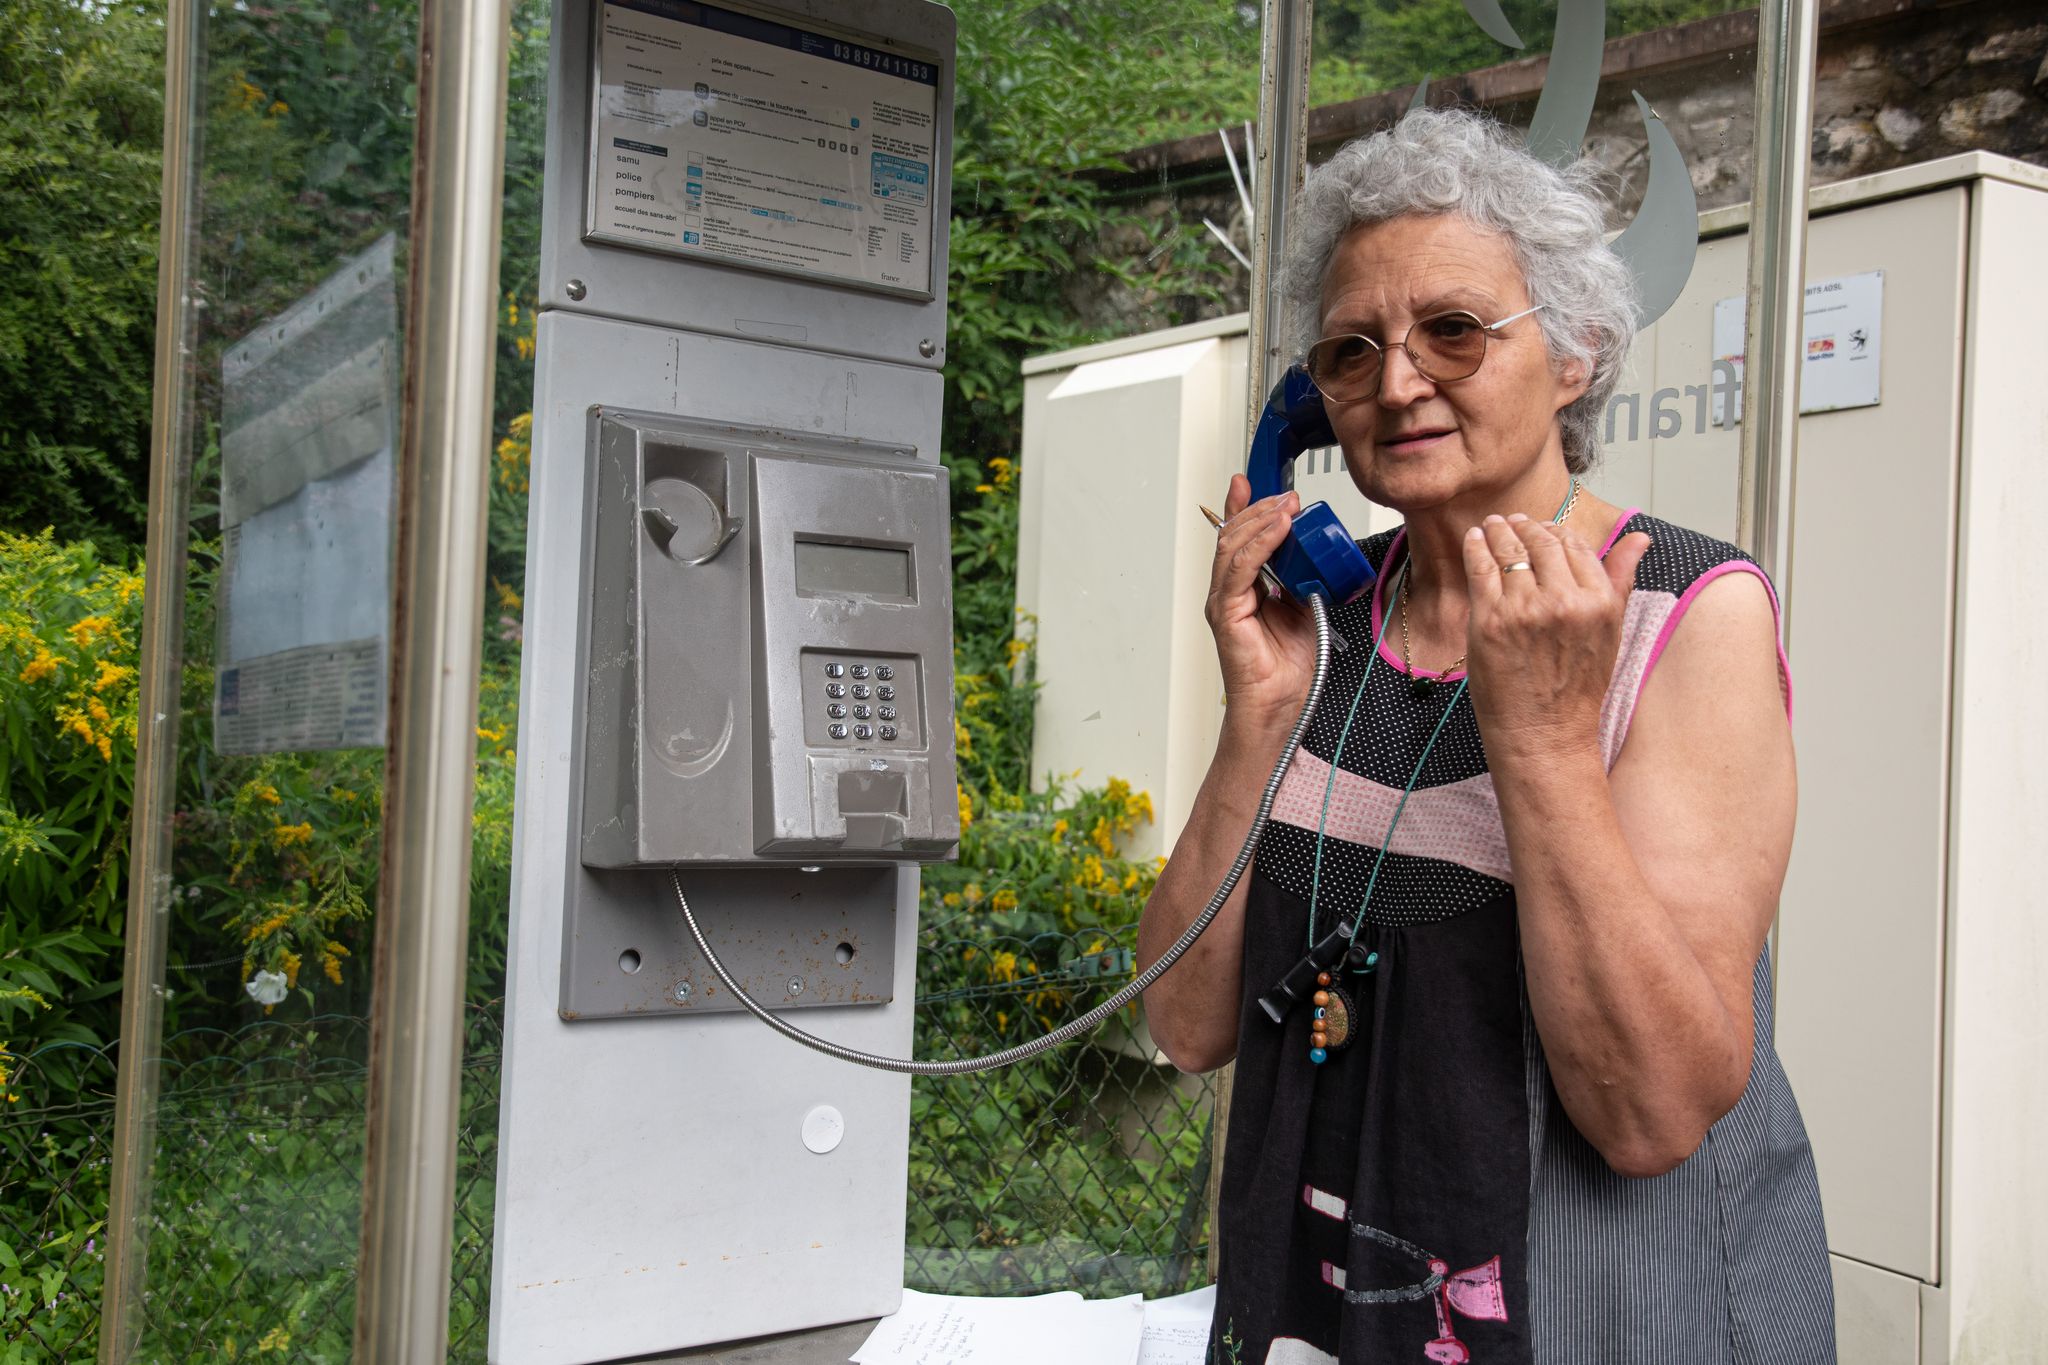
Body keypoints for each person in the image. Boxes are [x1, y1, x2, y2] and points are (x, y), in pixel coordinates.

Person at [1137, 108, 1834, 1365]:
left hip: (1600, 1316)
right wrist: (1255, 722)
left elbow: (1650, 1111)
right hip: (1327, 1306)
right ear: (1312, 404)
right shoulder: (1330, 618)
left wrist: (1547, 744)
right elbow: (1184, 1027)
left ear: (1572, 354)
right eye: (1350, 352)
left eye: (1452, 330)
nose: (1398, 383)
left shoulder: (1688, 615)